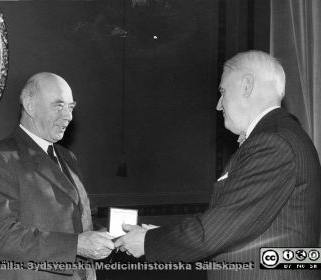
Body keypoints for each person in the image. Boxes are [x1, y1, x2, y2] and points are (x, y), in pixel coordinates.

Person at [115, 50, 321, 280]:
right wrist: (160, 234)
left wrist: (148, 242)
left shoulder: (273, 142)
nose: (219, 105)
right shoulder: (281, 134)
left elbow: (217, 230)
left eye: (223, 92)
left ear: (246, 86)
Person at [0, 73, 114, 280]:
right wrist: (78, 245)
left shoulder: (68, 157)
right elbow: (0, 237)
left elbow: (71, 222)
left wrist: (108, 237)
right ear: (30, 106)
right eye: (59, 106)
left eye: (71, 107)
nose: (69, 116)